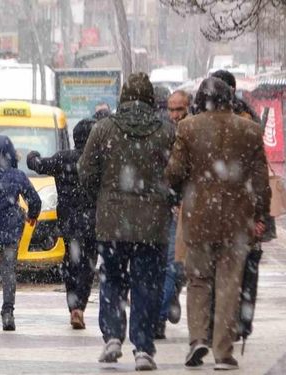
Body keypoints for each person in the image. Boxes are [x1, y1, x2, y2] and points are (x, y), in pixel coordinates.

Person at [165, 77, 271, 371]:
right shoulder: (249, 130)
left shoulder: (188, 128)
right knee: (228, 285)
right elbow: (261, 180)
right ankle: (223, 352)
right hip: (237, 222)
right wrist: (261, 213)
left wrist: (183, 181)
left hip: (198, 218)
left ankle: (197, 338)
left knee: (198, 281)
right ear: (229, 99)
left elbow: (174, 172)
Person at [79, 72, 175, 371]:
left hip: (111, 220)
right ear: (150, 97)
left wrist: (103, 194)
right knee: (146, 283)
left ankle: (112, 336)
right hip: (153, 223)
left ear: (123, 96)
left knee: (112, 278)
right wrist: (165, 197)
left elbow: (86, 172)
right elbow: (176, 174)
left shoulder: (104, 129)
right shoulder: (166, 131)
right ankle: (143, 347)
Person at [26, 119, 97, 330]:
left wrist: (32, 155)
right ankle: (80, 307)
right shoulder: (97, 160)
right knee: (88, 265)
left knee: (70, 263)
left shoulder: (62, 158)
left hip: (68, 222)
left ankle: (73, 305)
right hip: (92, 222)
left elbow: (37, 165)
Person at [0, 135, 41, 331]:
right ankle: (8, 313)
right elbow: (35, 200)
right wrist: (32, 215)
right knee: (8, 271)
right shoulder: (17, 175)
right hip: (10, 232)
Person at [155, 89, 191, 340]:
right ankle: (160, 315)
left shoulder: (193, 130)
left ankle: (171, 297)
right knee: (172, 264)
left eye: (180, 109)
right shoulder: (164, 133)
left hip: (193, 207)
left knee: (182, 267)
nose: (175, 114)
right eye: (171, 109)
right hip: (170, 209)